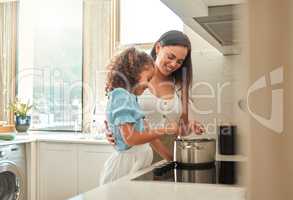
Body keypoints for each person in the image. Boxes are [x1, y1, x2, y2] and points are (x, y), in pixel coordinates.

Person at [106, 30, 205, 162]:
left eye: (180, 61)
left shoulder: (180, 86)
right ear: (158, 48)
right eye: (170, 57)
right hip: (138, 157)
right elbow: (115, 117)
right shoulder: (134, 80)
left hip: (168, 158)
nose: (174, 64)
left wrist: (191, 127)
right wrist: (109, 132)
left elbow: (181, 130)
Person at [100, 47, 179, 185]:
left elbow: (147, 134)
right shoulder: (121, 97)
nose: (149, 85)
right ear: (133, 73)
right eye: (148, 79)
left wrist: (171, 159)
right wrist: (164, 130)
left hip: (136, 164)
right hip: (126, 166)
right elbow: (131, 138)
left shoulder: (131, 98)